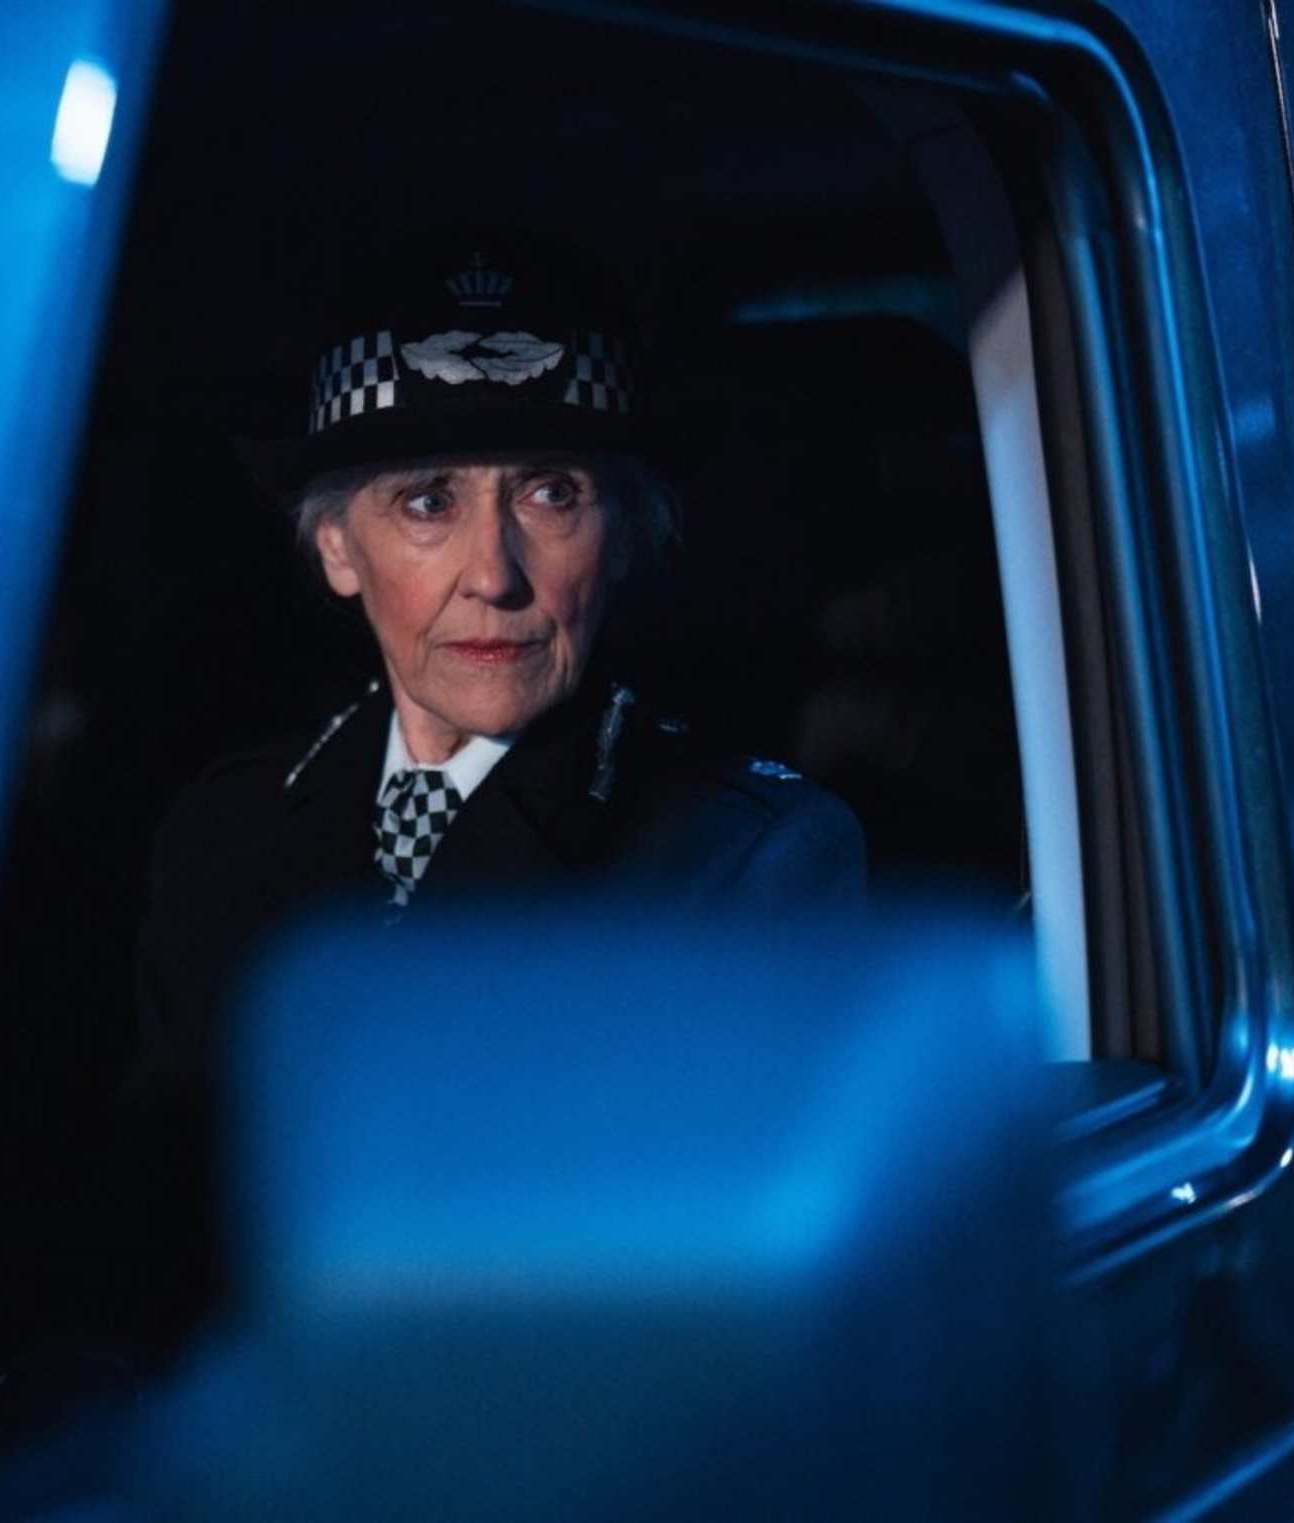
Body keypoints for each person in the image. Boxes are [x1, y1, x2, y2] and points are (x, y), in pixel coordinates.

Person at [110, 230, 866, 1363]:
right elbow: (157, 1254)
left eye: (551, 494)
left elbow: (717, 1333)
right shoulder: (220, 833)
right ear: (337, 549)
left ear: (622, 537)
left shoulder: (746, 864)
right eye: (428, 501)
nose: (494, 573)